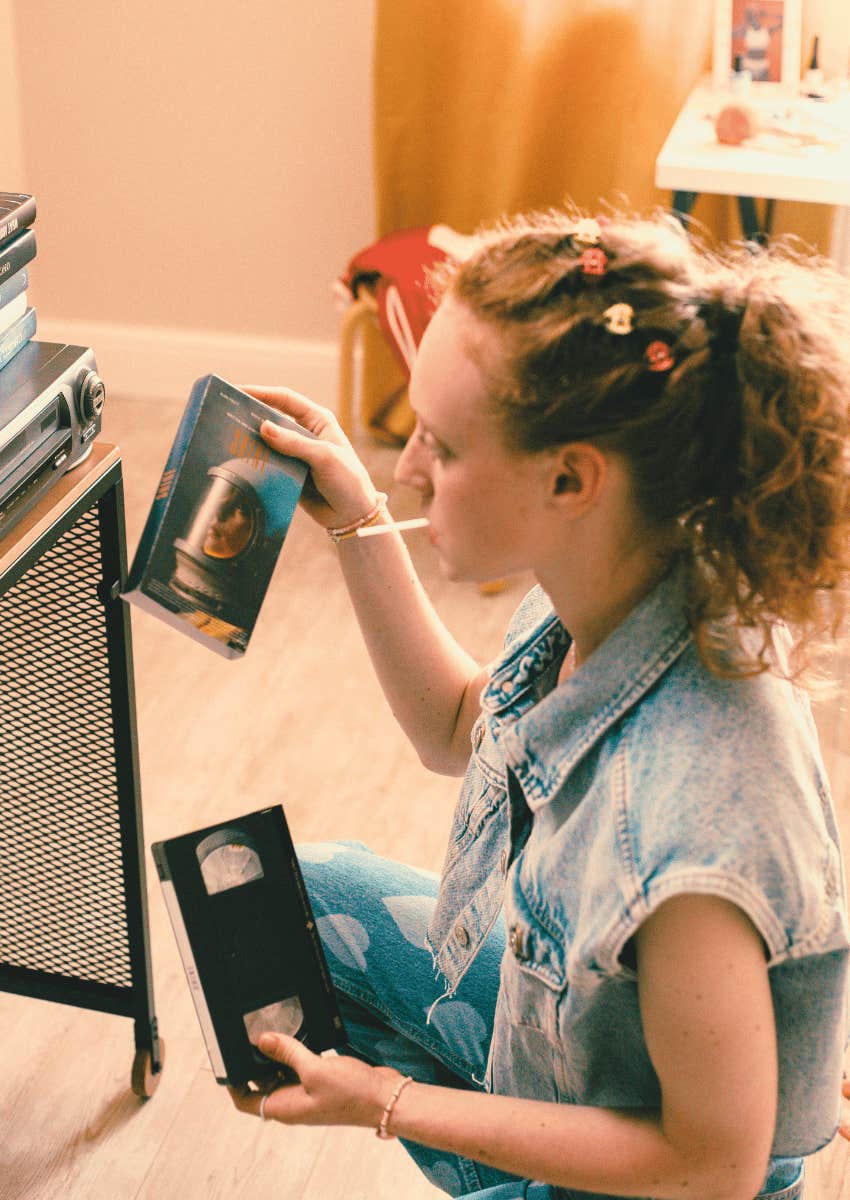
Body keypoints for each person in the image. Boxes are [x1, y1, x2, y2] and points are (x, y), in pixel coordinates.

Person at [231, 210, 850, 1200]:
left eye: (439, 444)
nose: (408, 469)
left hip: (656, 1179)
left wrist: (385, 1099)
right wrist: (357, 516)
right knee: (288, 894)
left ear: (569, 478)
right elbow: (452, 726)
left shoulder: (697, 811)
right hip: (564, 1041)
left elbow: (713, 1167)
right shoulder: (608, 589)